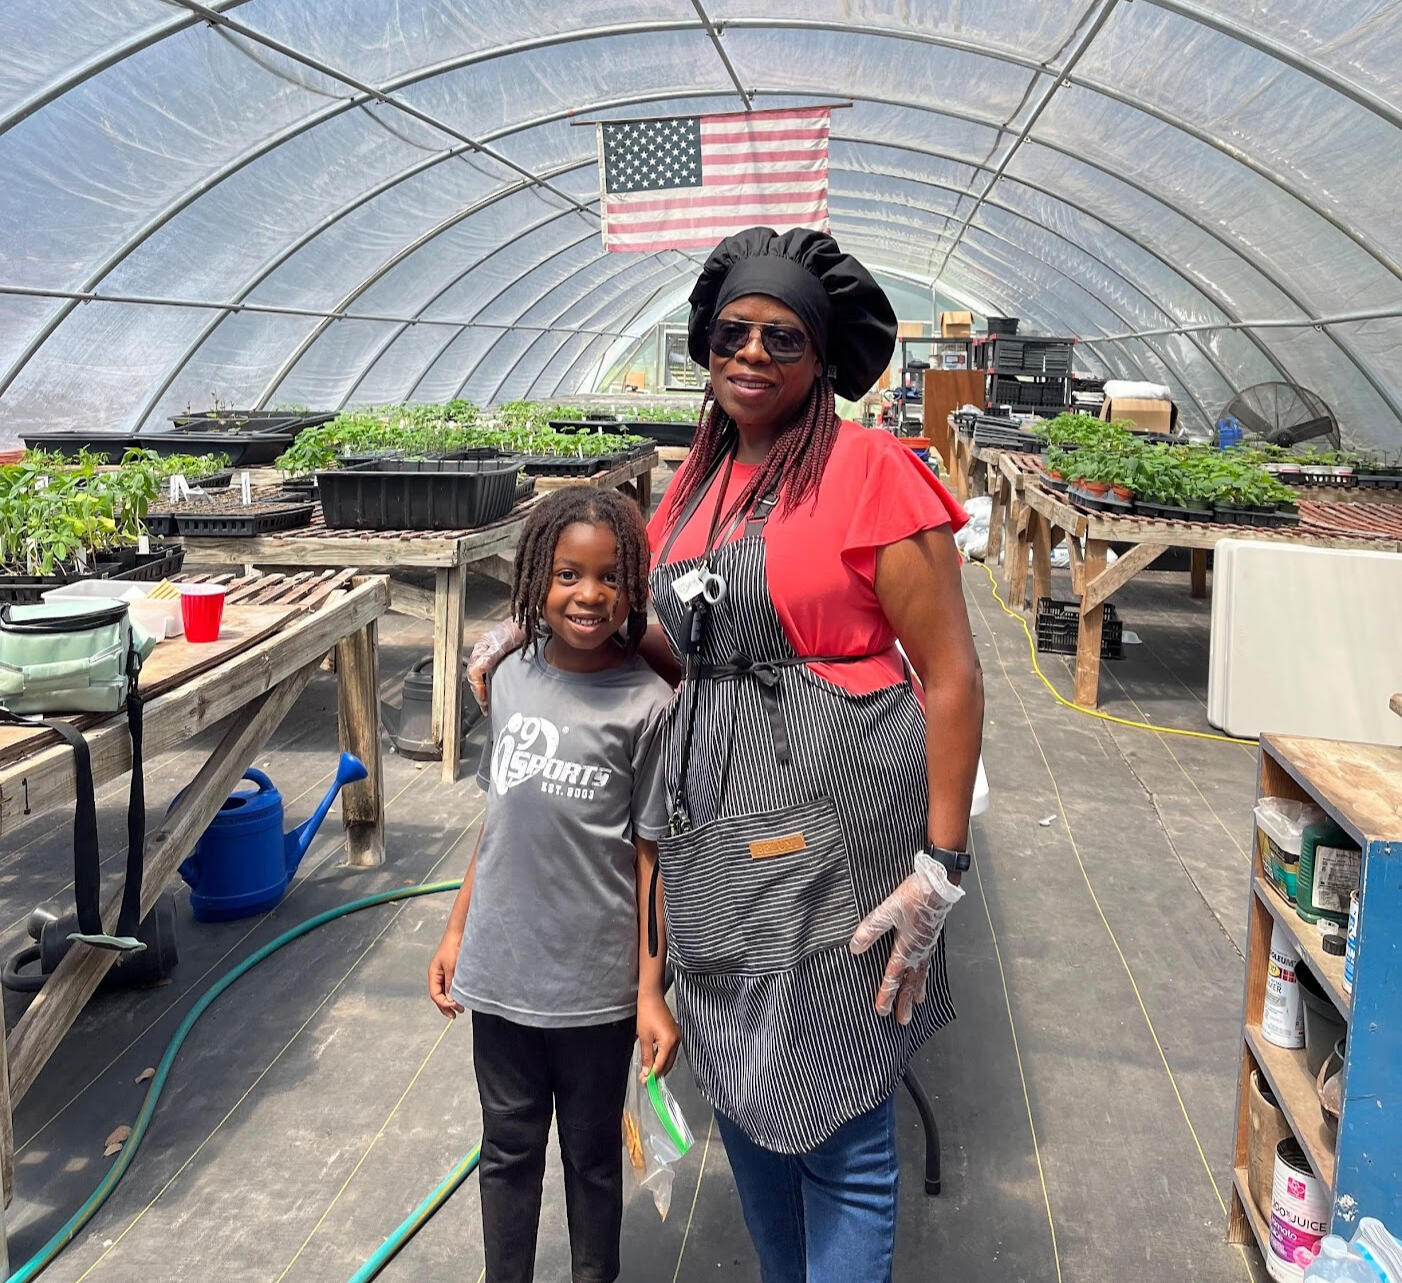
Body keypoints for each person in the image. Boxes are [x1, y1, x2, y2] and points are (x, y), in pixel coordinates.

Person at [470, 227, 984, 1283]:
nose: (753, 353)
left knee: (839, 1104)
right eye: (734, 331)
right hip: (719, 814)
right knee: (741, 1075)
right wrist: (540, 628)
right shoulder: (695, 480)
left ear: (822, 358)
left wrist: (939, 865)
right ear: (707, 341)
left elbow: (952, 675)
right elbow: (681, 643)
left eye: (783, 338)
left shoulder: (868, 470)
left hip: (837, 815)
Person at [428, 487, 680, 1283]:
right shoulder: (509, 680)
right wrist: (458, 930)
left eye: (609, 577)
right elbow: (496, 820)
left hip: (594, 989)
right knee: (506, 1151)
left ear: (632, 587)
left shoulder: (647, 703)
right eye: (568, 573)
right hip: (502, 976)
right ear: (536, 578)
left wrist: (649, 991)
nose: (589, 594)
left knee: (593, 1158)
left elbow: (651, 859)